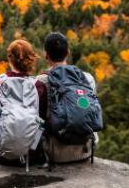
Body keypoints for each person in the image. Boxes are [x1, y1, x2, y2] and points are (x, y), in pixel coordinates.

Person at [36, 32, 99, 164]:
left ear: (45, 55)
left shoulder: (40, 81)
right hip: (85, 150)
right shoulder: (87, 79)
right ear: (68, 52)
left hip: (54, 152)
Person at [0, 39, 47, 165]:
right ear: (31, 59)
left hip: (0, 154)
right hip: (31, 155)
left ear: (10, 58)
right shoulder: (38, 86)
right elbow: (43, 120)